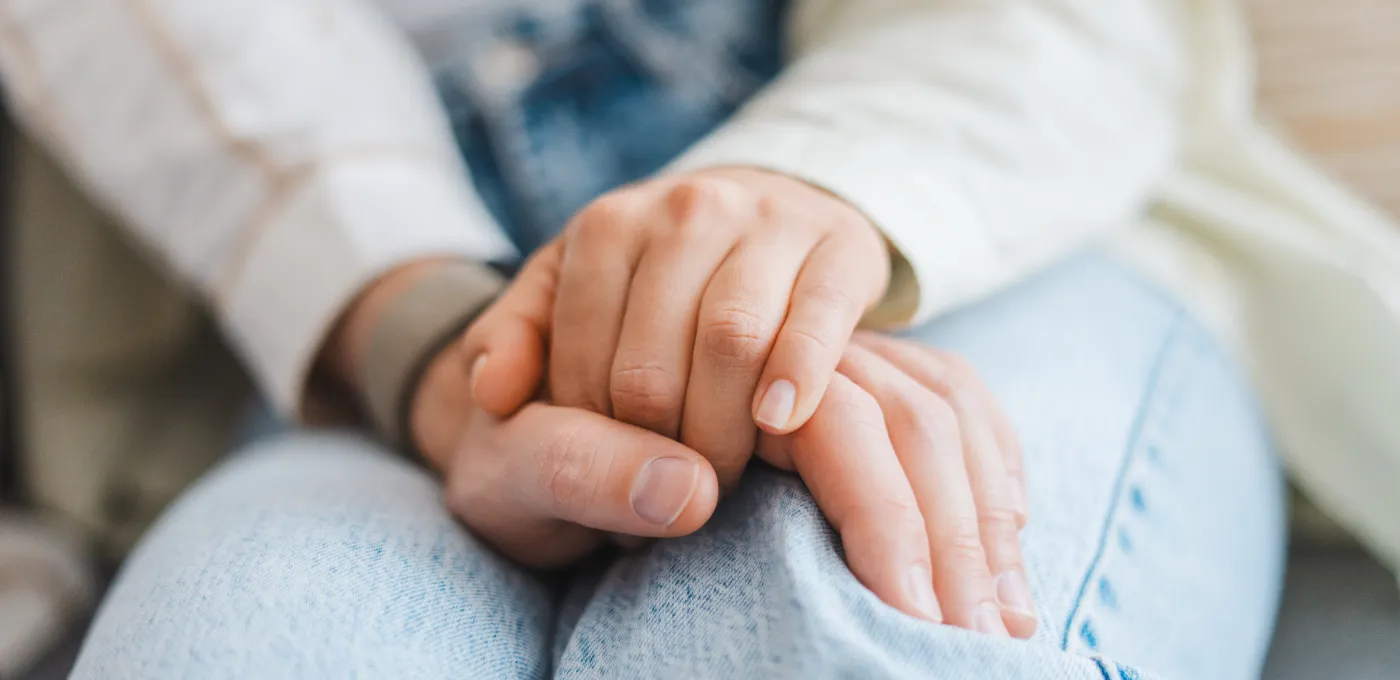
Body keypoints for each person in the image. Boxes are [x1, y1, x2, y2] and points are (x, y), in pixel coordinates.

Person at [0, 1, 1397, 678]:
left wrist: (804, 207)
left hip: (961, 234)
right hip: (351, 348)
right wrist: (423, 334)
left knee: (852, 620)